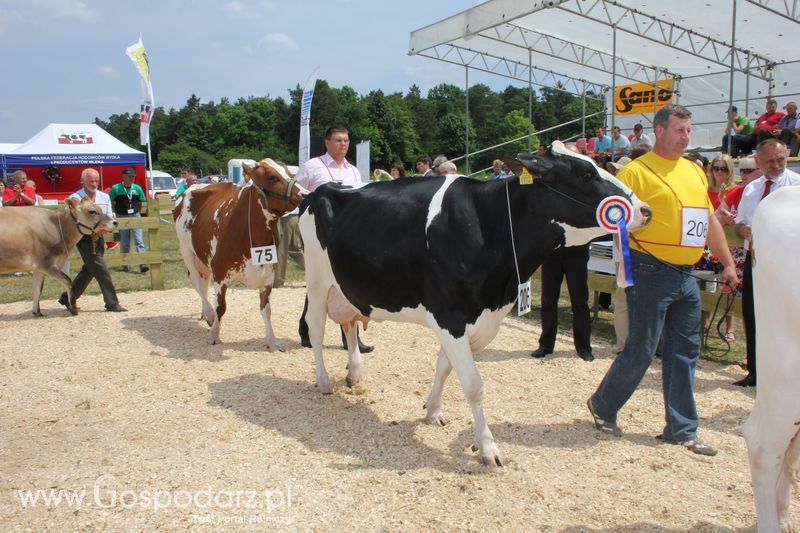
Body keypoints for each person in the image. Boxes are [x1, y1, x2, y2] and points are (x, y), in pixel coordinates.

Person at [587, 104, 738, 456]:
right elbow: (615, 223)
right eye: (679, 130)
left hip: (686, 273)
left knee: (685, 351)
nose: (686, 136)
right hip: (650, 269)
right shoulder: (636, 173)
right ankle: (604, 405)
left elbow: (710, 221)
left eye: (689, 129)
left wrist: (727, 262)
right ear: (660, 130)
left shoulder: (695, 171)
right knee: (641, 348)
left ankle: (682, 429)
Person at [295, 125, 372, 353]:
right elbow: (297, 195)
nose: (343, 144)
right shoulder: (312, 167)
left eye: (346, 140)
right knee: (320, 282)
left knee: (345, 283)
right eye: (338, 140)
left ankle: (350, 339)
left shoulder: (354, 171)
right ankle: (307, 329)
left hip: (348, 235)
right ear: (327, 142)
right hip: (319, 235)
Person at [733, 139, 800, 387]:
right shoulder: (751, 190)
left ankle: (787, 377)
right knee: (753, 314)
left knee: (786, 318)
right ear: (758, 162)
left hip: (788, 263)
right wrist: (743, 230)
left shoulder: (796, 185)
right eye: (770, 161)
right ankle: (755, 371)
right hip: (757, 261)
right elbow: (739, 222)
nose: (776, 165)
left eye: (780, 159)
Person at [58, 168, 126, 313]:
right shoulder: (75, 198)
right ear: (82, 182)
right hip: (83, 237)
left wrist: (105, 229)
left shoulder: (104, 197)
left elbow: (108, 217)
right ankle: (112, 303)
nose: (94, 184)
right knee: (101, 269)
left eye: (96, 180)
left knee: (90, 269)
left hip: (99, 236)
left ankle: (67, 297)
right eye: (91, 181)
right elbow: (69, 220)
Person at [109, 167, 149, 273]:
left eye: (133, 177)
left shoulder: (137, 188)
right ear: (123, 177)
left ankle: (143, 263)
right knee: (125, 242)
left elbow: (142, 202)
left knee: (139, 240)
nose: (132, 179)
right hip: (122, 216)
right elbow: (110, 201)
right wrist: (114, 213)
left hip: (135, 215)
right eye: (129, 177)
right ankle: (125, 263)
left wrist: (140, 213)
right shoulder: (116, 188)